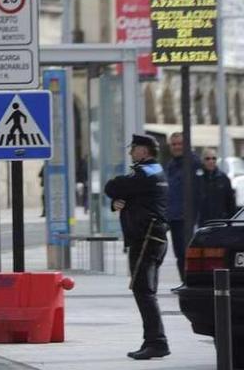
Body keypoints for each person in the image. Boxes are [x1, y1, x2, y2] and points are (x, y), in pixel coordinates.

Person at [104, 133, 170, 360]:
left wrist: (116, 195)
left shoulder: (145, 173)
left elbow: (113, 185)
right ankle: (153, 341)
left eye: (133, 148)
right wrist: (117, 202)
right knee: (146, 292)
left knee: (143, 291)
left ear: (144, 151)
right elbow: (130, 196)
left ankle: (157, 342)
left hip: (146, 238)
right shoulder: (154, 172)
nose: (131, 152)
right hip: (152, 238)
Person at [164, 131, 200, 282]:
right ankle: (184, 282)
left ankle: (191, 283)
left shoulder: (194, 163)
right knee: (179, 254)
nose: (177, 147)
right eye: (174, 144)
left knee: (189, 253)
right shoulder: (170, 165)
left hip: (188, 217)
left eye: (180, 144)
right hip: (174, 217)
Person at [196, 148, 237, 226]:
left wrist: (229, 222)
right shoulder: (197, 178)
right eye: (207, 159)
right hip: (203, 224)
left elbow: (231, 203)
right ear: (203, 160)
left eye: (214, 158)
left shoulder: (223, 178)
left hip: (220, 223)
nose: (211, 161)